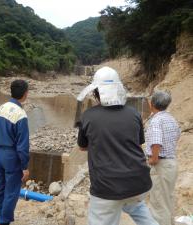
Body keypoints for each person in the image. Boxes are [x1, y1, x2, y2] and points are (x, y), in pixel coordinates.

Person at [76, 66, 158, 225]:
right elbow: (137, 143)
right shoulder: (134, 113)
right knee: (138, 209)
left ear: (96, 92)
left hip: (106, 187)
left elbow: (82, 146)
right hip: (137, 182)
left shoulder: (88, 116)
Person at [0, 80, 30, 225]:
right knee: (12, 191)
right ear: (25, 93)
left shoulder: (0, 109)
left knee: (0, 186)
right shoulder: (20, 115)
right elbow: (22, 145)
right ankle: (4, 221)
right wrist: (25, 167)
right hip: (11, 156)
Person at [146, 91, 181, 225]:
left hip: (161, 163)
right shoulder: (171, 119)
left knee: (158, 203)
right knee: (167, 199)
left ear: (152, 104)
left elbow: (156, 142)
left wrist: (153, 159)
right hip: (171, 163)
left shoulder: (156, 120)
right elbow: (177, 135)